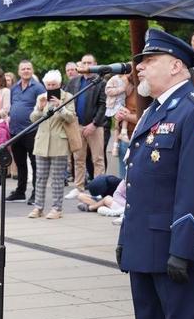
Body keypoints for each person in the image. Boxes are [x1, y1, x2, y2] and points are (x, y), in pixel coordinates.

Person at [116, 28, 194, 319]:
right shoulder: (153, 112)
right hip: (144, 246)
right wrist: (127, 236)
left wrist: (183, 250)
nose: (139, 67)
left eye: (149, 59)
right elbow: (140, 181)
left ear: (176, 65)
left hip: (176, 249)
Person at [27, 70, 76, 220]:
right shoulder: (41, 97)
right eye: (48, 85)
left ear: (60, 84)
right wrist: (39, 108)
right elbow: (33, 119)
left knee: (57, 178)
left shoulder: (67, 97)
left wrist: (60, 106)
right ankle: (38, 207)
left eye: (54, 85)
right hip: (41, 142)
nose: (51, 87)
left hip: (59, 143)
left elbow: (71, 118)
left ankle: (57, 208)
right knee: (40, 177)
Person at [64, 54, 106, 200]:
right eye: (84, 62)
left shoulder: (100, 82)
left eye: (90, 62)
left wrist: (94, 124)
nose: (87, 65)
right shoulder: (74, 81)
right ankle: (78, 187)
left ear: (95, 64)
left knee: (97, 159)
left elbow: (103, 105)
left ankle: (99, 189)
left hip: (95, 126)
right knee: (78, 159)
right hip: (77, 125)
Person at [7, 60, 46, 204]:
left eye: (28, 68)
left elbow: (44, 108)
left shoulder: (38, 87)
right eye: (23, 69)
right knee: (20, 163)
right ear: (18, 72)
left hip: (32, 130)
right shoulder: (14, 88)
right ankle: (20, 191)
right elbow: (12, 105)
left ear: (32, 70)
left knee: (35, 164)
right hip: (16, 131)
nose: (26, 71)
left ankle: (37, 193)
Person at [105, 74, 130, 157]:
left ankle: (115, 147)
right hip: (114, 104)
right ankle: (123, 132)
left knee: (117, 123)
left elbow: (127, 92)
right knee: (126, 113)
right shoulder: (114, 79)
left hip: (121, 104)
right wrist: (122, 88)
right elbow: (107, 91)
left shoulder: (128, 80)